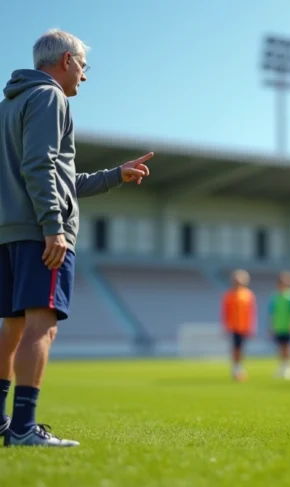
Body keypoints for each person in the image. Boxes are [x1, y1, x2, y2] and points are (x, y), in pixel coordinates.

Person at [0, 29, 153, 447]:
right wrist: (53, 225)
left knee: (11, 326)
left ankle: (1, 420)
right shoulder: (50, 97)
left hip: (9, 233)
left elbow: (57, 175)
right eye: (83, 66)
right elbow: (40, 165)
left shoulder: (8, 104)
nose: (84, 76)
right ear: (66, 60)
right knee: (40, 327)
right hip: (40, 233)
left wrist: (114, 175)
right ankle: (23, 429)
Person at [221, 269, 256, 382]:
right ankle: (236, 367)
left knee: (241, 348)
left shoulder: (248, 295)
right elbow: (225, 312)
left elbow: (251, 312)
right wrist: (226, 325)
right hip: (233, 326)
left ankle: (239, 367)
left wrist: (251, 326)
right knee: (235, 348)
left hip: (244, 326)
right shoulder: (229, 295)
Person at [268, 271, 290, 380]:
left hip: (288, 326)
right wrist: (272, 326)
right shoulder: (275, 297)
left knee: (288, 347)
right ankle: (281, 367)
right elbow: (272, 313)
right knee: (280, 347)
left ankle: (289, 367)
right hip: (278, 326)